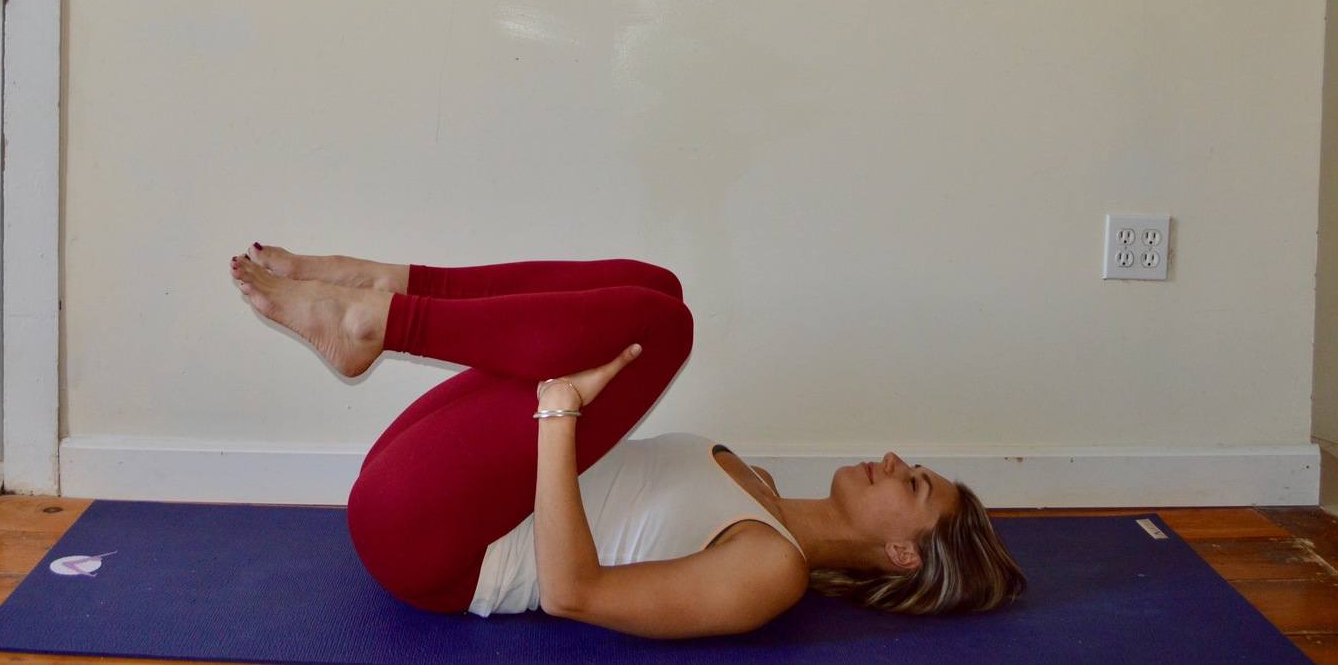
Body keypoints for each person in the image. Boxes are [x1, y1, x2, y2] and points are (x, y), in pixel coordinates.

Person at [230, 247, 1026, 640]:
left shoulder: (771, 568)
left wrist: (559, 420)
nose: (893, 462)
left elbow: (576, 594)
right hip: (436, 483)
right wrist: (560, 413)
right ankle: (388, 287)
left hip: (438, 548)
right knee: (660, 289)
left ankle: (386, 317)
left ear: (902, 554)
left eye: (913, 484)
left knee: (662, 326)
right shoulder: (759, 486)